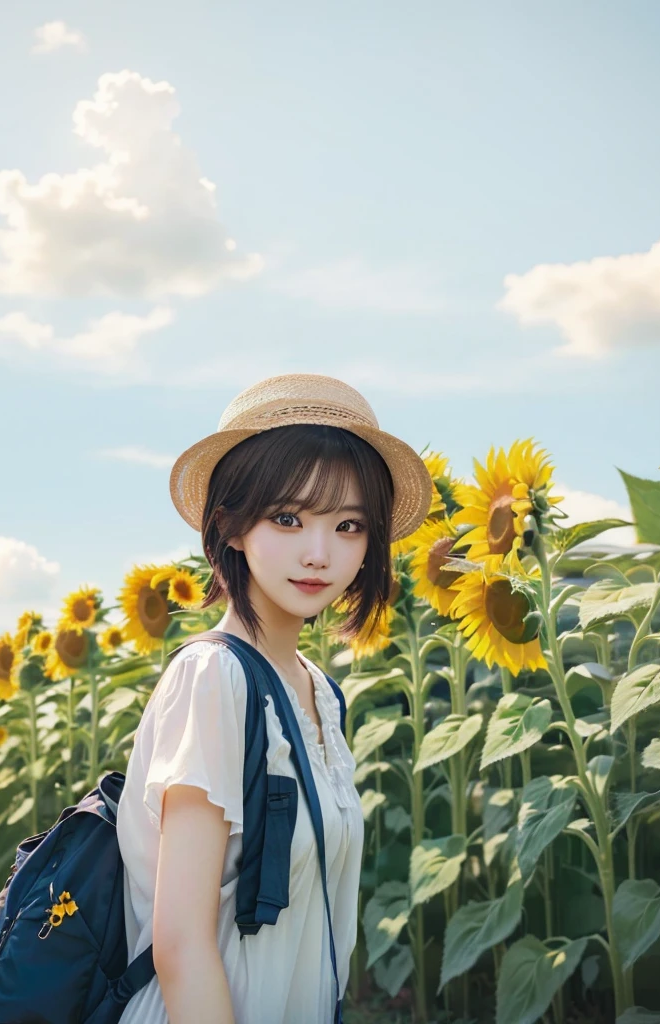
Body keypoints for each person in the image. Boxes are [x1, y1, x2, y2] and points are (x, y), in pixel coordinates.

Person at [115, 374, 432, 1024]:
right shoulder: (214, 678)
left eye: (348, 526)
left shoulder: (323, 693)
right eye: (288, 518)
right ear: (230, 525)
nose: (320, 554)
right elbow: (180, 946)